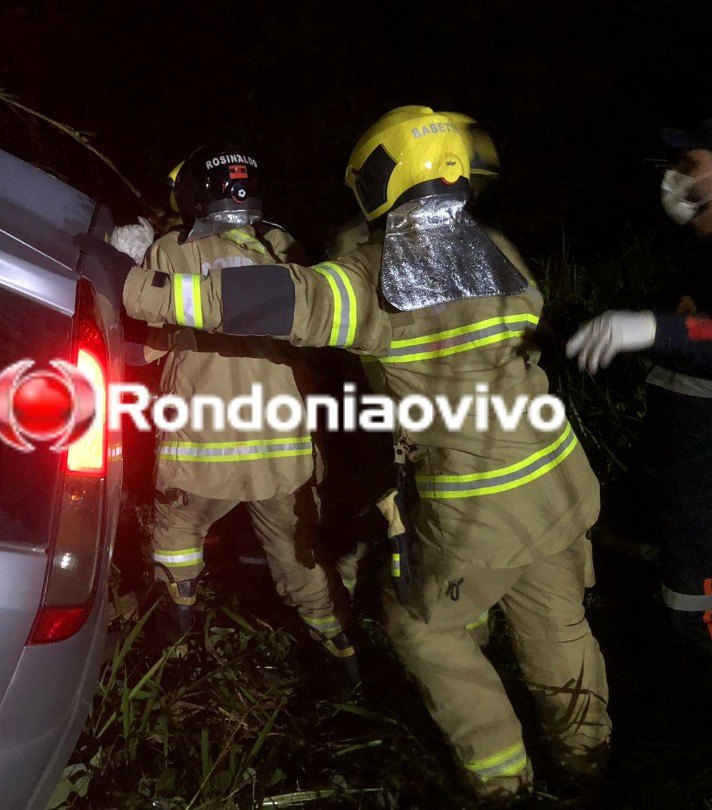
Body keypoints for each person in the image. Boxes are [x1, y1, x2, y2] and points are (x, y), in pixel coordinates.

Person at [118, 107, 611, 802]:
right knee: (560, 623)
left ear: (384, 175)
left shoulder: (377, 278)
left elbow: (282, 300)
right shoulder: (498, 248)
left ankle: (504, 786)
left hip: (481, 506)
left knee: (418, 625)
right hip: (561, 480)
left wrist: (143, 286)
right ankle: (589, 762)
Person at [567, 111, 712, 674]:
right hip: (663, 448)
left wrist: (653, 329)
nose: (671, 175)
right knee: (620, 560)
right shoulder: (694, 255)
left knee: (698, 604)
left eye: (688, 163)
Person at [126, 144, 358, 681]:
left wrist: (127, 264)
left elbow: (150, 347)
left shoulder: (170, 251)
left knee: (178, 538)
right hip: (284, 452)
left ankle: (175, 652)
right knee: (299, 554)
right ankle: (340, 659)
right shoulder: (282, 247)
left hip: (203, 454)